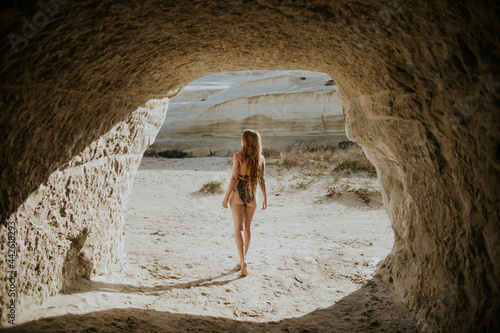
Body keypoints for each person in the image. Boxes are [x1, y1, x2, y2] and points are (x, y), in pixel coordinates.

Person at [222, 129, 267, 276]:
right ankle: (243, 259)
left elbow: (234, 177)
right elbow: (262, 180)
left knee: (237, 229)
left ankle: (242, 261)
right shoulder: (260, 158)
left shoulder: (238, 156)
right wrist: (265, 198)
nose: (240, 139)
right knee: (247, 228)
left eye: (242, 138)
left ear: (246, 140)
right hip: (253, 195)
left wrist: (226, 197)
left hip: (238, 195)